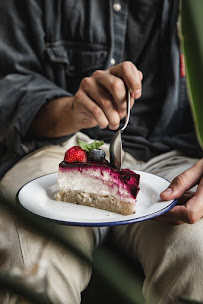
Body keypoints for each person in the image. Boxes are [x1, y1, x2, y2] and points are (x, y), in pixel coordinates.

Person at [0, 0, 202, 303]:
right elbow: (9, 83)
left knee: (197, 251)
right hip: (62, 146)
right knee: (31, 258)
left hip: (180, 159)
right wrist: (72, 110)